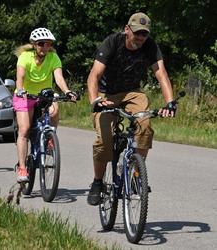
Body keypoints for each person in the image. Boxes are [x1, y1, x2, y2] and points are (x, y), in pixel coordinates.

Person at [86, 12, 176, 205]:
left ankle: (135, 173)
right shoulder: (112, 43)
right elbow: (94, 75)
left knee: (145, 125)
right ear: (127, 29)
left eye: (144, 34)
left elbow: (161, 75)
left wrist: (170, 102)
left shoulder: (150, 46)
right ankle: (97, 182)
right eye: (137, 33)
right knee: (104, 141)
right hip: (106, 94)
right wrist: (95, 100)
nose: (141, 38)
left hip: (133, 93)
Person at [13, 27, 77, 182]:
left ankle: (50, 137)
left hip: (44, 95)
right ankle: (22, 168)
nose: (45, 47)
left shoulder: (53, 57)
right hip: (25, 95)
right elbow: (20, 77)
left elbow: (59, 78)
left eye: (48, 44)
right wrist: (21, 90)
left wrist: (67, 91)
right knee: (24, 130)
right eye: (41, 44)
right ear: (34, 44)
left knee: (54, 111)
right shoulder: (25, 57)